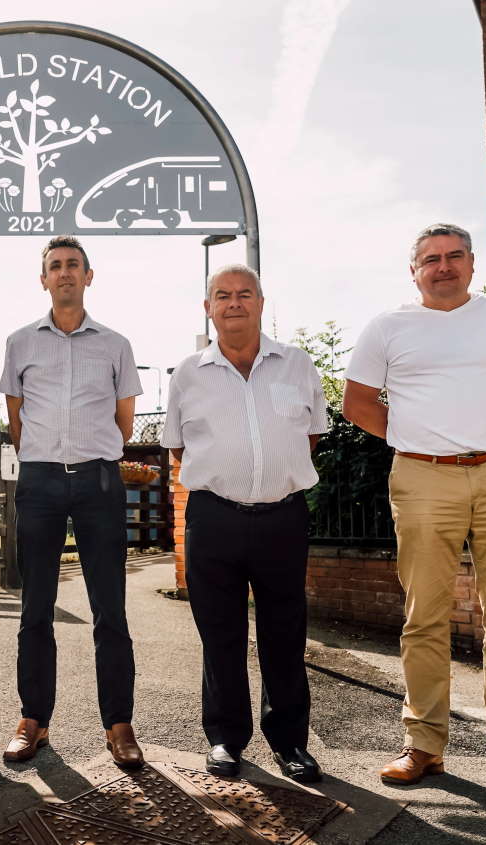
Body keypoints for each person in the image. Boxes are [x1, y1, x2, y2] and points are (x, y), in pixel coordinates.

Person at [343, 223, 486, 802]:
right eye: (430, 259)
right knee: (424, 616)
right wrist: (417, 439)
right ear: (414, 270)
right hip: (422, 476)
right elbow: (357, 403)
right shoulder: (388, 327)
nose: (442, 266)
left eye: (453, 257)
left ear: (472, 264)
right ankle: (423, 745)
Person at [162, 265, 326, 783]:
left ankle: (290, 743)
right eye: (222, 295)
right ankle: (226, 739)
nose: (234, 302)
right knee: (221, 635)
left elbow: (312, 436)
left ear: (260, 301)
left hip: (282, 518)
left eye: (244, 294)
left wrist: (269, 478)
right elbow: (177, 447)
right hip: (213, 519)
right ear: (208, 308)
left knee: (285, 632)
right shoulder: (187, 373)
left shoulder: (298, 365)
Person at [0, 235, 145, 770]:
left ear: (88, 276)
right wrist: (43, 455)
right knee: (35, 607)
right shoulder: (19, 343)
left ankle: (119, 724)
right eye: (54, 266)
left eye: (72, 266)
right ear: (43, 279)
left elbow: (124, 422)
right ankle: (33, 719)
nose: (64, 273)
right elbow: (15, 419)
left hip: (98, 482)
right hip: (38, 484)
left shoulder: (116, 344)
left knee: (111, 608)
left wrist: (89, 456)